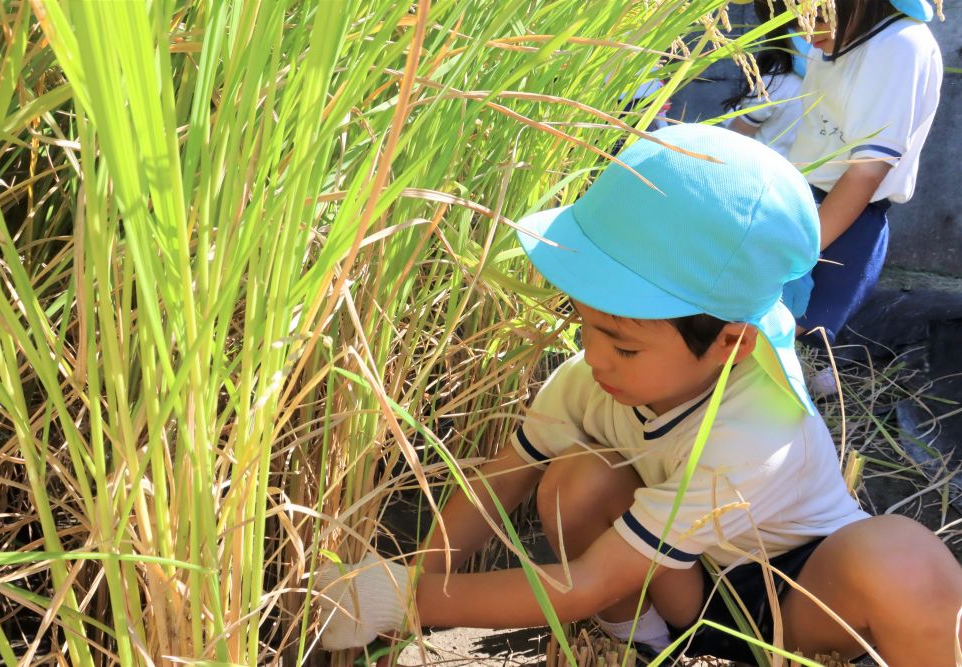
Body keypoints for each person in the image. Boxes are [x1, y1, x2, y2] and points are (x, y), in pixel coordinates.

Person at [313, 124, 962, 666]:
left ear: (730, 344)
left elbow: (583, 583)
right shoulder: (585, 382)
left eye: (623, 345)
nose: (594, 358)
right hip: (679, 587)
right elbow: (499, 483)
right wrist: (414, 579)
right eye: (586, 324)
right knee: (576, 480)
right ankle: (641, 647)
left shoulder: (756, 430)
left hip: (793, 600)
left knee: (903, 562)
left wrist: (404, 599)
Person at [785, 0, 943, 346]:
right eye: (794, 19)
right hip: (800, 205)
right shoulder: (835, 41)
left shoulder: (900, 44)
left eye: (815, 14)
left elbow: (866, 171)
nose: (804, 29)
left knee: (790, 341)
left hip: (841, 218)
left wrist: (798, 256)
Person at [725, 0, 809, 157]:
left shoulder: (776, 81)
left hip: (760, 171)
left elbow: (734, 137)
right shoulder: (829, 76)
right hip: (800, 175)